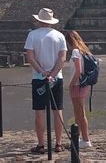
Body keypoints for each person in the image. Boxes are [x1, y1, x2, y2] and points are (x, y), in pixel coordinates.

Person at [24, 8, 67, 154]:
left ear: (39, 20)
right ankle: (59, 144)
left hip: (38, 78)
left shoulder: (32, 35)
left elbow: (30, 57)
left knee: (39, 112)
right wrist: (53, 74)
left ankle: (41, 144)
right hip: (57, 78)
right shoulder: (60, 36)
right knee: (58, 110)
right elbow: (62, 58)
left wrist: (43, 72)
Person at [65, 31, 93, 149]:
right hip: (83, 84)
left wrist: (71, 85)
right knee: (78, 112)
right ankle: (79, 137)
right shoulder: (84, 51)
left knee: (80, 112)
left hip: (78, 85)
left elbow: (78, 71)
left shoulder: (76, 52)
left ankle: (86, 139)